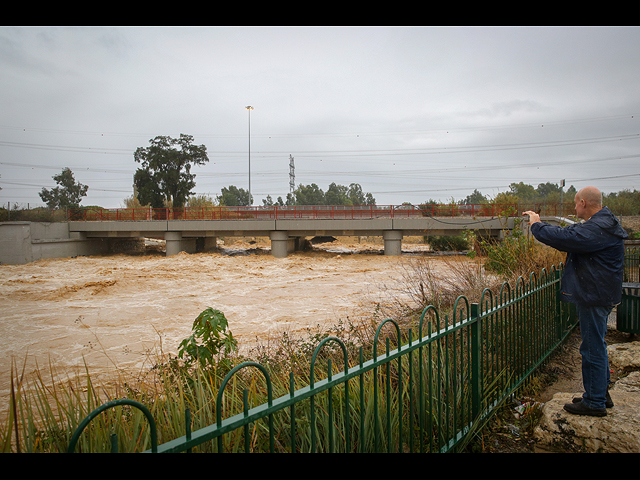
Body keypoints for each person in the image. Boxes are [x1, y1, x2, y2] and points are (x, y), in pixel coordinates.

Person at [523, 186, 628, 417]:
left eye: (575, 203)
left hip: (594, 295)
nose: (573, 207)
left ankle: (594, 402)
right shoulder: (602, 224)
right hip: (599, 292)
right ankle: (600, 393)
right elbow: (570, 235)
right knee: (596, 343)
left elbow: (566, 238)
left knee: (591, 347)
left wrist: (536, 224)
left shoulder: (598, 227)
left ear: (582, 202)